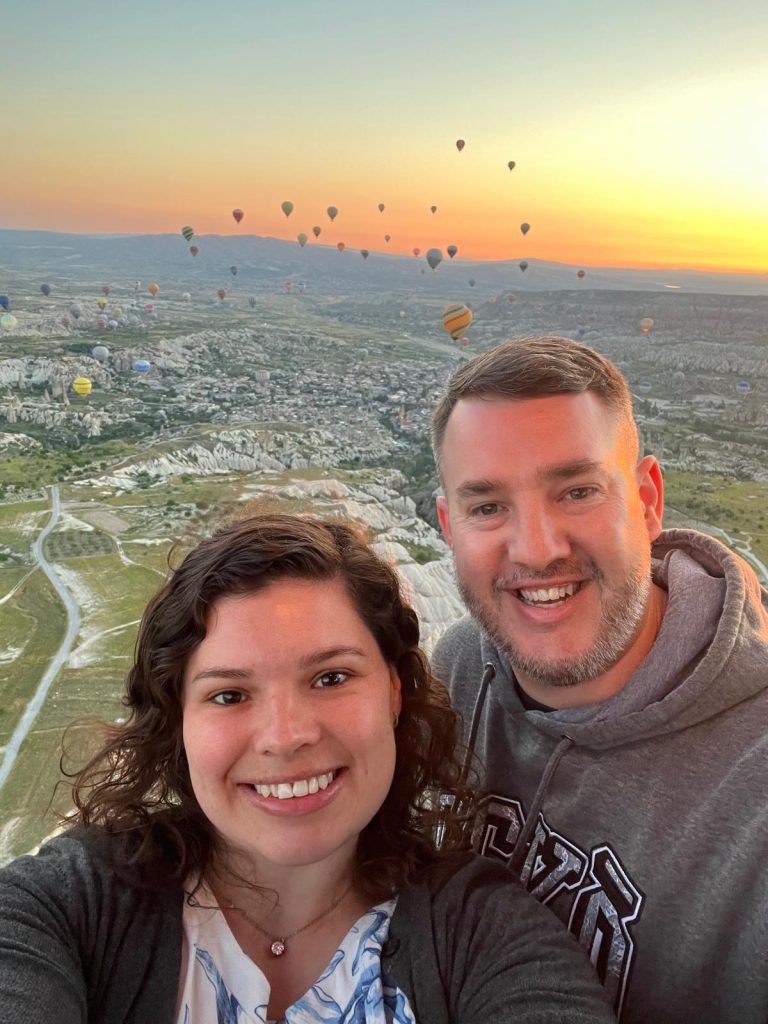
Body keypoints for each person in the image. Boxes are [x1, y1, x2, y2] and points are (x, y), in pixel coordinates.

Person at [0, 512, 614, 1024]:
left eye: (331, 678)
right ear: (179, 720)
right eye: (229, 694)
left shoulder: (484, 936)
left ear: (395, 695)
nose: (287, 736)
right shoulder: (71, 907)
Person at [430, 335, 768, 1024]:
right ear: (447, 528)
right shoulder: (459, 670)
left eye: (577, 490)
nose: (537, 548)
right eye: (487, 507)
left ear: (647, 500)